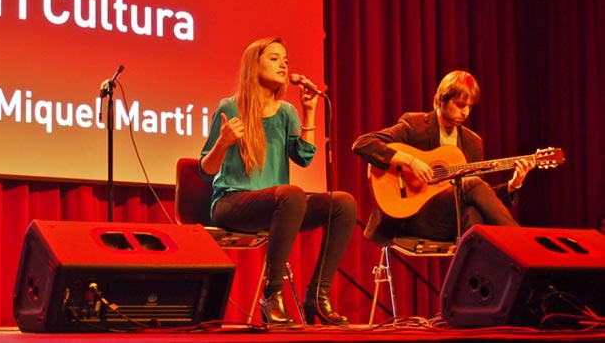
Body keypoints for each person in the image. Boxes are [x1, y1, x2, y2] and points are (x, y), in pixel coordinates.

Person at [199, 36, 357, 326]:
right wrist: (222, 143)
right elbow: (206, 168)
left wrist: (309, 111)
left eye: (285, 59)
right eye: (274, 58)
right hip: (232, 203)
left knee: (343, 204)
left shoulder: (287, 112)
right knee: (292, 195)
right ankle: (272, 295)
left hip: (280, 205)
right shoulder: (229, 107)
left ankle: (317, 296)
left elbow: (304, 158)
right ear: (253, 64)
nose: (283, 64)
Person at [352, 70, 535, 245]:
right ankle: (521, 243)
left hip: (448, 222)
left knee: (473, 213)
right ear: (441, 100)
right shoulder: (415, 125)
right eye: (460, 105)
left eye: (470, 107)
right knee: (471, 187)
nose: (465, 112)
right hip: (412, 218)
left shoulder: (472, 142)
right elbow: (362, 143)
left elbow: (480, 196)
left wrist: (513, 185)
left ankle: (475, 276)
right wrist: (410, 161)